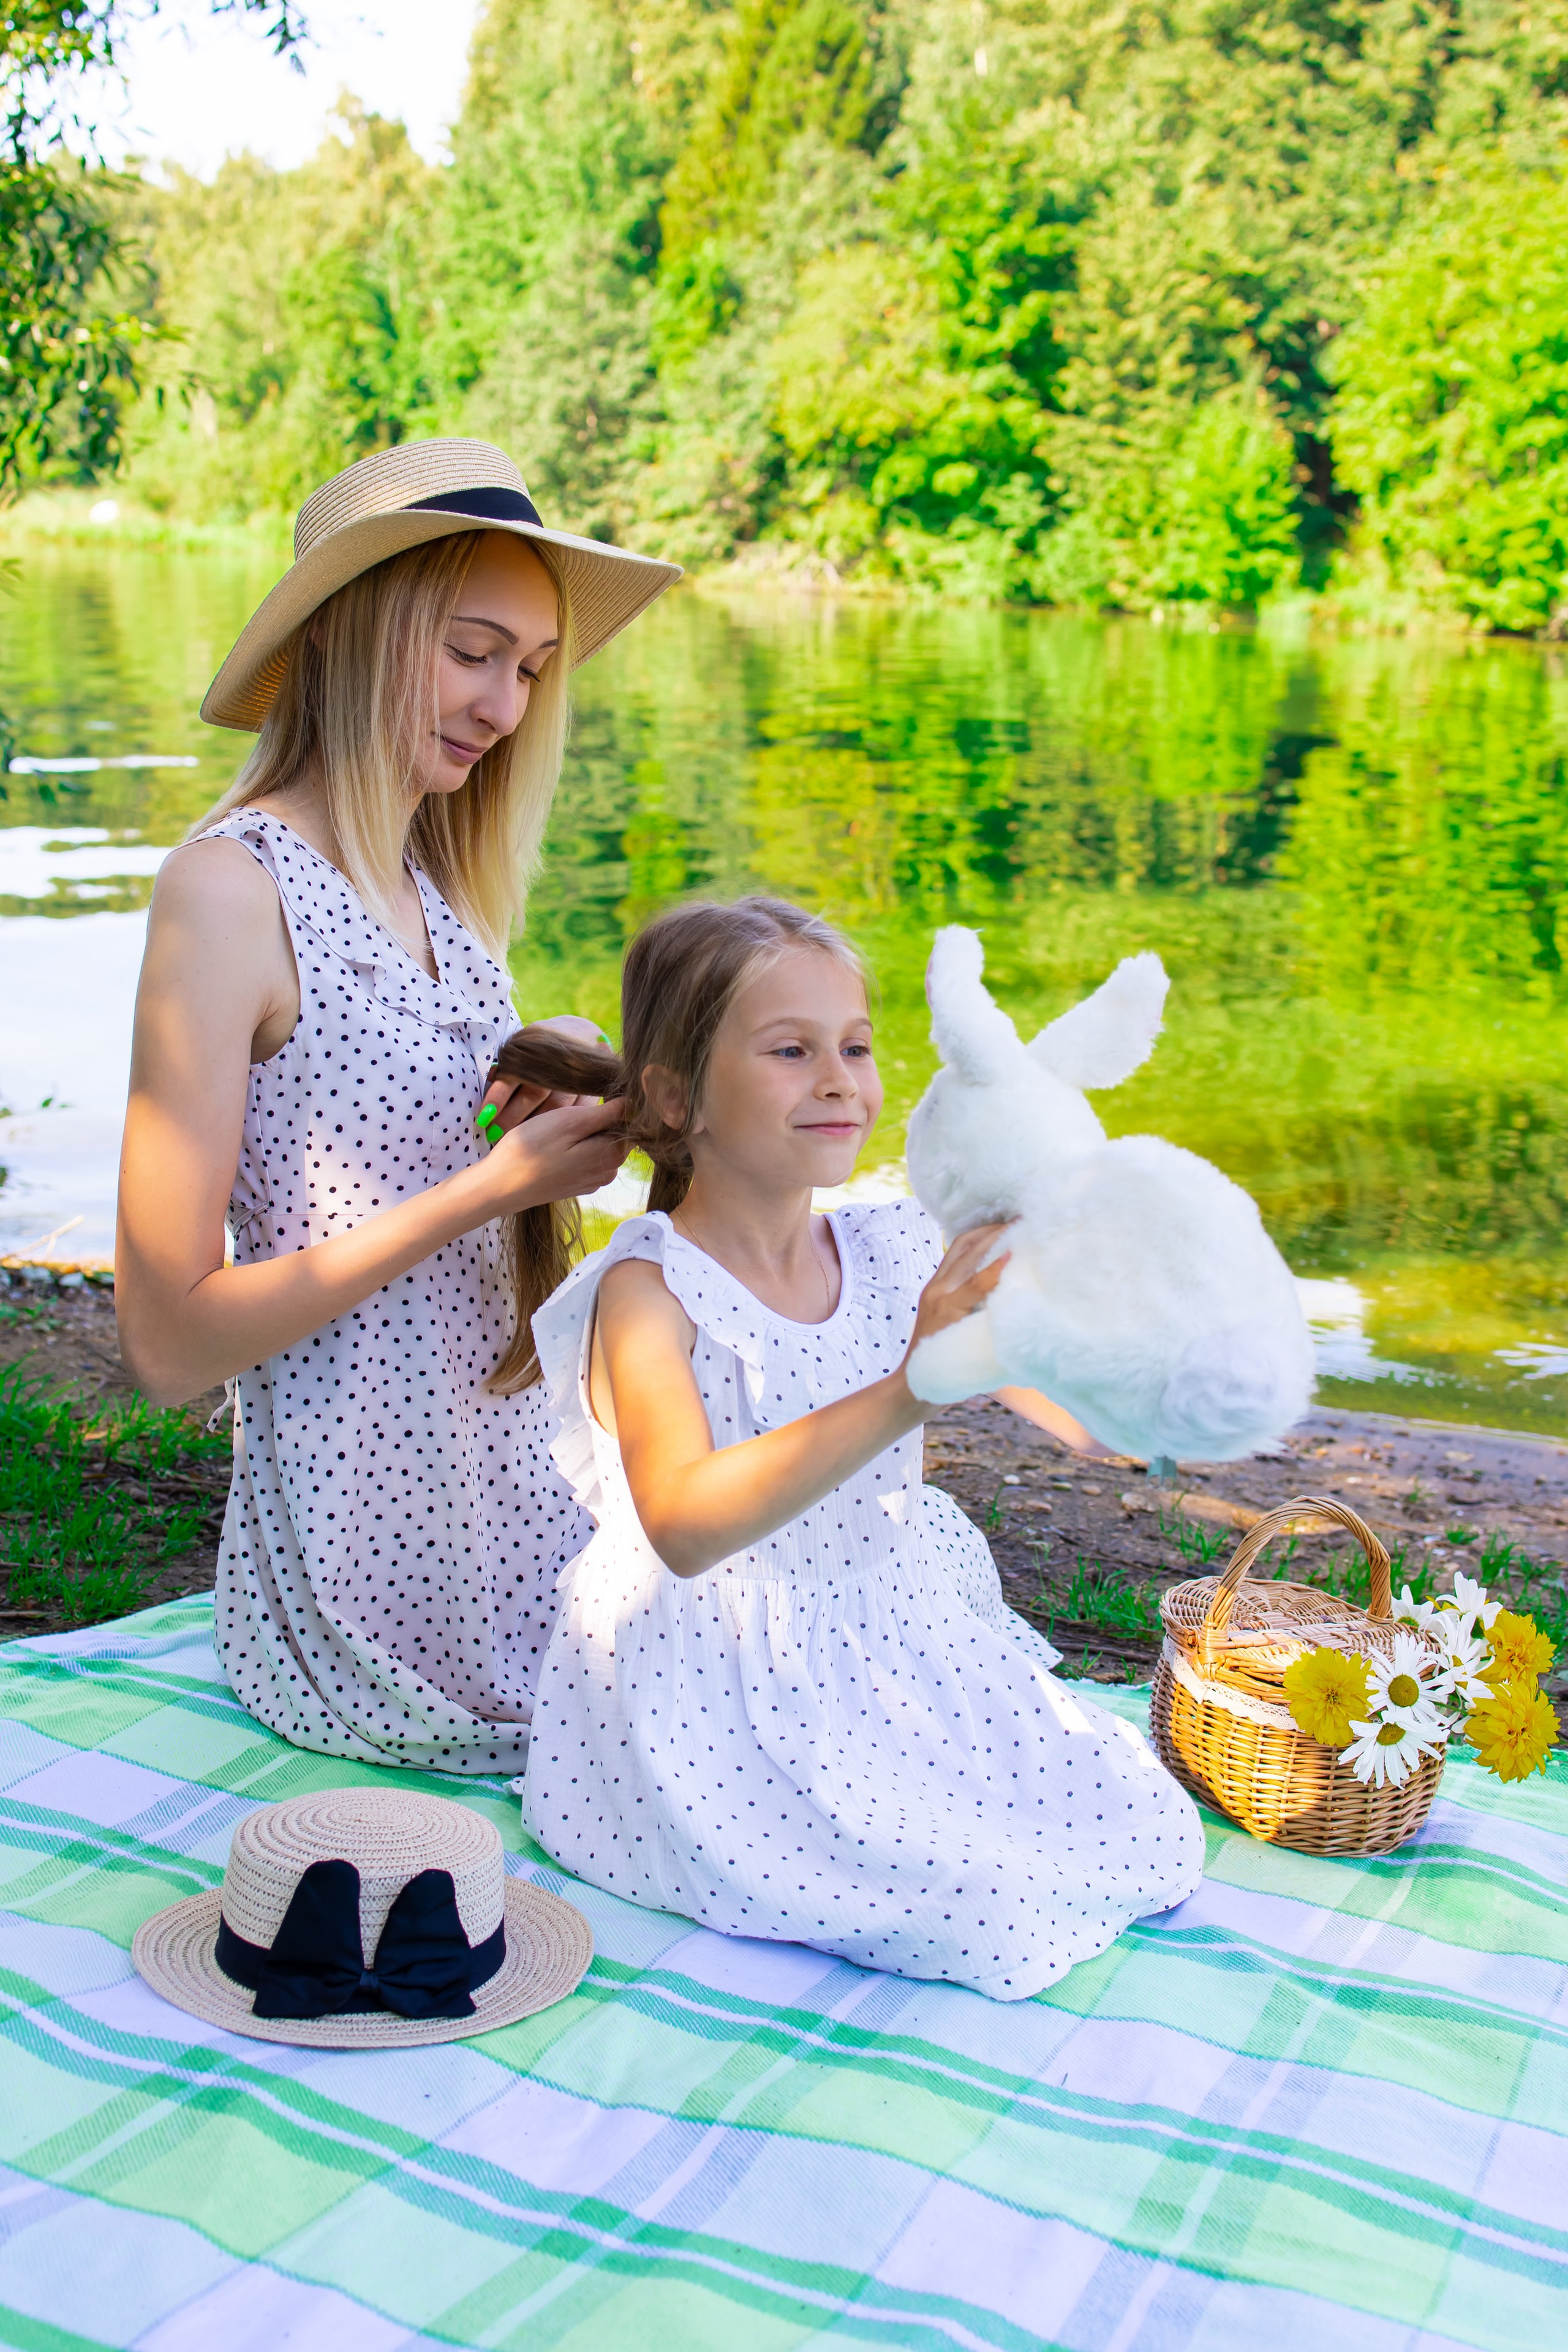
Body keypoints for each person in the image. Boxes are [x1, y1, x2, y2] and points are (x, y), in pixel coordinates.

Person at [517, 897, 1204, 2000]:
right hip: (718, 1670)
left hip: (886, 1623)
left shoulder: (889, 1245)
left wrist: (1130, 1407)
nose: (840, 1080)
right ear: (673, 1094)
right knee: (975, 1910)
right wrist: (909, 1385)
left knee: (1131, 1822)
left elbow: (1016, 1366)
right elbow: (687, 1528)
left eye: (857, 1047)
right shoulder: (650, 1292)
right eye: (791, 1051)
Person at [115, 439, 679, 1771]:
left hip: (510, 1478)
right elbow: (166, 1344)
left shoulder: (435, 894)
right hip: (371, 1528)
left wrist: (563, 1060)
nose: (505, 706)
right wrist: (492, 1187)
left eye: (532, 668)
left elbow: (447, 1137)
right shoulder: (229, 890)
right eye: (473, 651)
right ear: (356, 632)